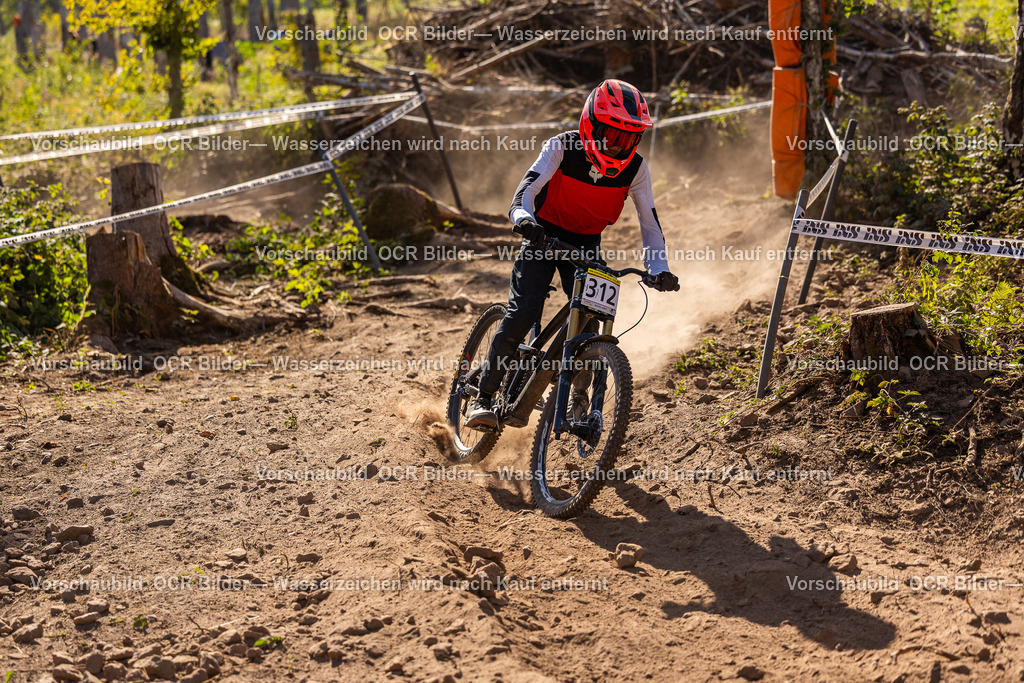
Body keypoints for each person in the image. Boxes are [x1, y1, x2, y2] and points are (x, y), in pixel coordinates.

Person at [465, 79, 679, 431]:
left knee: (591, 321)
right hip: (541, 236)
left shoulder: (636, 169)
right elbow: (526, 192)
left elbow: (650, 224)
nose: (616, 146)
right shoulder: (561, 147)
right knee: (523, 313)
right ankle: (483, 397)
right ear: (589, 125)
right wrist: (524, 221)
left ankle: (578, 399)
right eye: (610, 135)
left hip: (584, 244)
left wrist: (659, 269)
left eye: (627, 138)